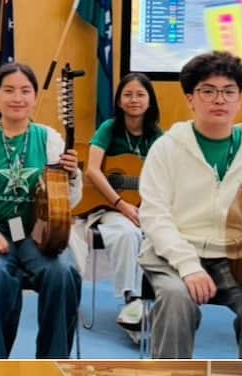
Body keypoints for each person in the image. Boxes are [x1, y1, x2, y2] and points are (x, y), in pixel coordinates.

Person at [137, 51, 242, 359]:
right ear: (191, 99)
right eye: (208, 90)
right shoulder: (166, 148)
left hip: (236, 256)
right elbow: (154, 217)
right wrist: (189, 266)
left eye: (228, 91)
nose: (219, 99)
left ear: (240, 99)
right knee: (176, 300)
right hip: (175, 254)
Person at [0, 62, 83, 359]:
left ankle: (54, 363)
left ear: (35, 97)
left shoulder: (49, 139)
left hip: (39, 234)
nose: (17, 98)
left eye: (25, 91)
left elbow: (67, 201)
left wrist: (73, 176)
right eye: (8, 90)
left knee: (62, 272)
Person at [82, 72, 163, 341]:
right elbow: (93, 170)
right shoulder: (109, 128)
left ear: (150, 100)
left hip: (143, 207)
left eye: (140, 94)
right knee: (128, 233)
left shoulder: (157, 135)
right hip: (107, 206)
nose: (134, 99)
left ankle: (152, 304)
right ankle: (132, 300)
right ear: (118, 100)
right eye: (127, 94)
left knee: (154, 234)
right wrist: (120, 203)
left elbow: (163, 177)